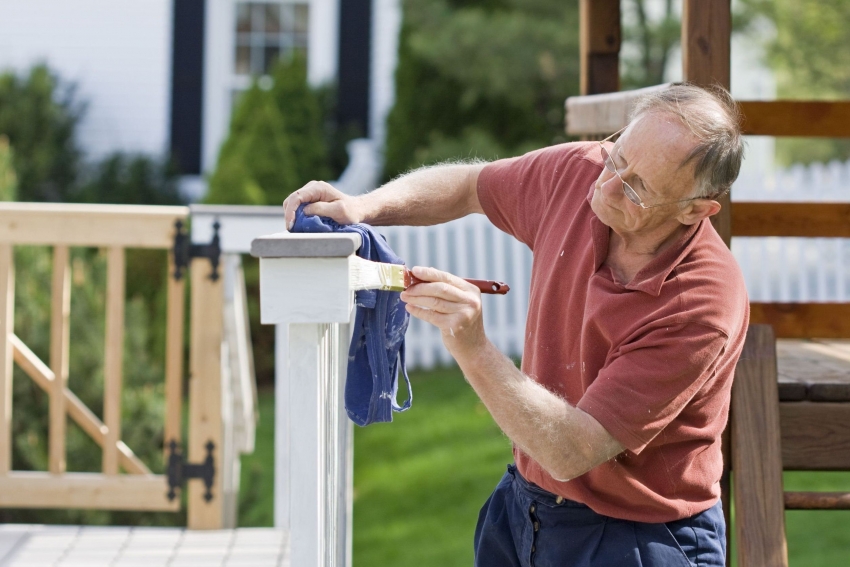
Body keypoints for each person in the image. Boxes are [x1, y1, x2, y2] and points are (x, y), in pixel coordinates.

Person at [283, 83, 748, 567]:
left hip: (640, 537)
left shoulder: (701, 303)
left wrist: (473, 347)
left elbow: (572, 451)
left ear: (696, 209)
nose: (607, 185)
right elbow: (469, 186)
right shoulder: (581, 174)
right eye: (618, 157)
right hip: (527, 506)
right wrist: (364, 207)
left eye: (638, 189)